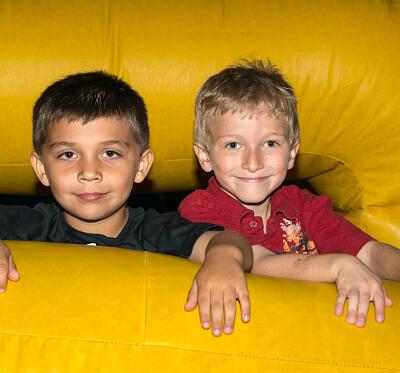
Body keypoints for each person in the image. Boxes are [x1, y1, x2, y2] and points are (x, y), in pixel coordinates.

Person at [0, 71, 254, 337]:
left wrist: (223, 259)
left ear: (141, 166)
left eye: (110, 153)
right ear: (42, 169)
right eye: (68, 154)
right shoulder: (31, 226)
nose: (89, 172)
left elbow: (229, 240)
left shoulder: (154, 231)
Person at [179, 59, 400, 328]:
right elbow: (257, 263)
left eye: (270, 143)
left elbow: (369, 253)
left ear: (292, 153)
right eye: (234, 145)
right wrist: (337, 266)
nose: (253, 162)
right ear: (204, 156)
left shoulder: (304, 206)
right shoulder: (199, 209)